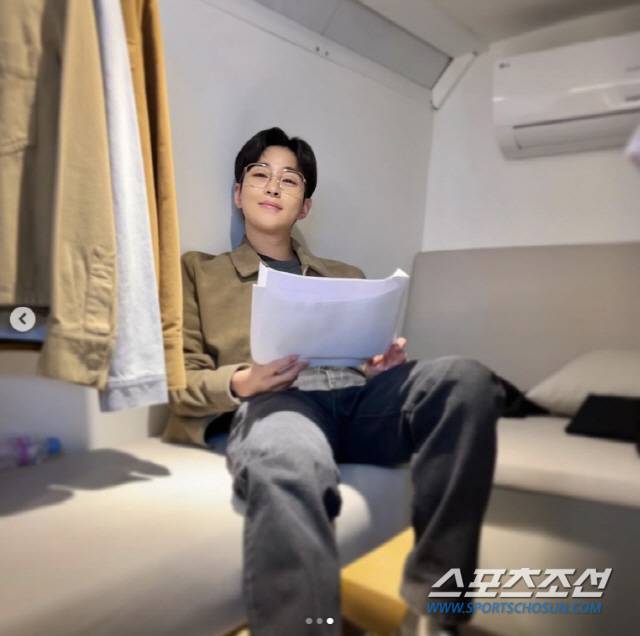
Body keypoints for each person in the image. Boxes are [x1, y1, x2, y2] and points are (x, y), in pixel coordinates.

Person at [167, 127, 505, 636]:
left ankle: (436, 612)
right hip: (279, 404)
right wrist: (245, 379)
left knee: (466, 380)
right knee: (289, 454)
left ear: (305, 206)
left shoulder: (345, 275)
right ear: (238, 193)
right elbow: (181, 381)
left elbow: (364, 363)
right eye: (259, 175)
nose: (273, 186)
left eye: (290, 180)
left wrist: (377, 369)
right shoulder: (198, 271)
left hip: (356, 399)